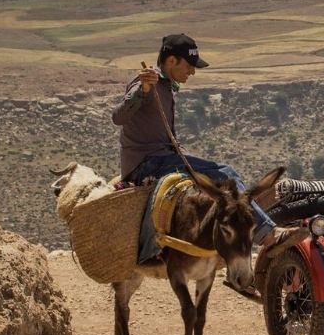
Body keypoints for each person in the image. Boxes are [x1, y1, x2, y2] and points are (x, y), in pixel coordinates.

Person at [112, 33, 305, 262]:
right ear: (171, 61)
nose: (192, 72)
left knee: (215, 186)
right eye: (189, 66)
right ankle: (267, 234)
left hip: (165, 158)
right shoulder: (146, 83)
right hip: (147, 164)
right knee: (225, 174)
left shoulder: (166, 86)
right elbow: (118, 116)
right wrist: (143, 90)